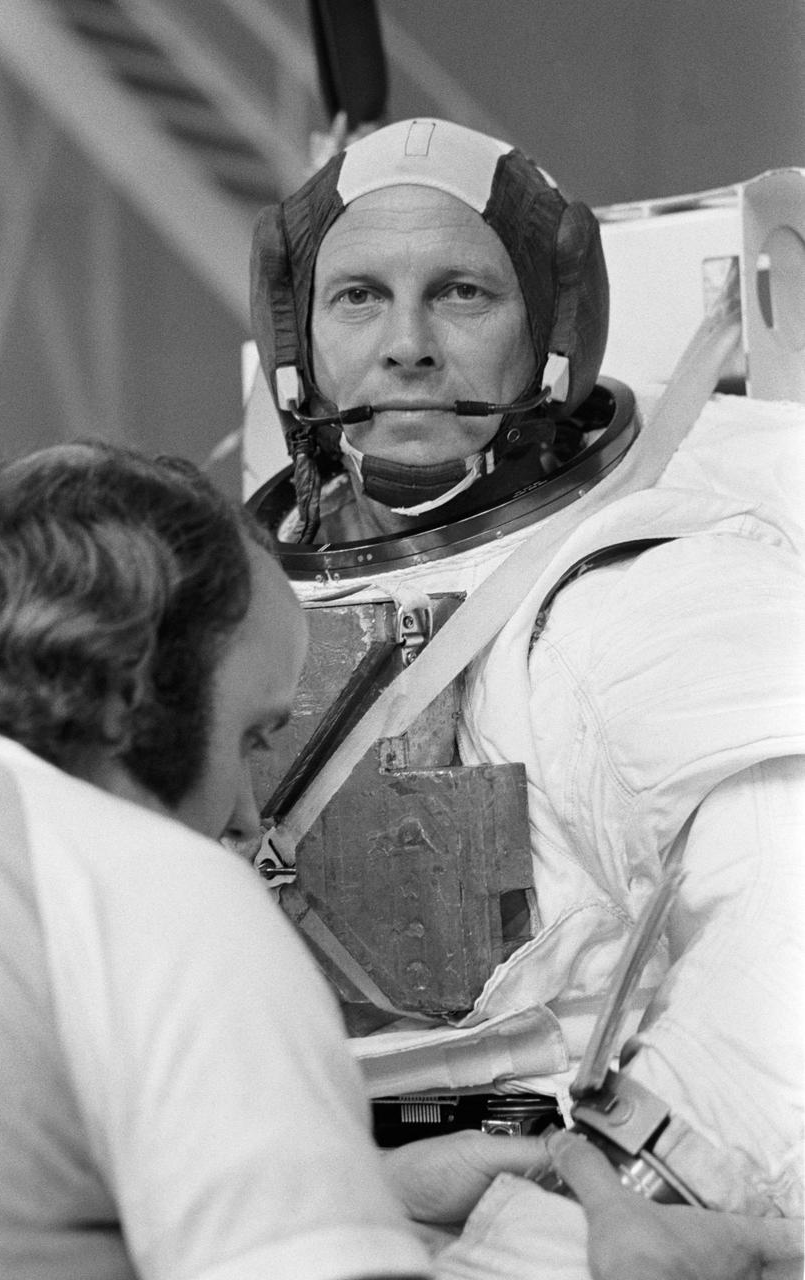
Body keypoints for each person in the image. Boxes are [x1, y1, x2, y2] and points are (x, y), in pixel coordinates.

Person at [246, 117, 805, 1259]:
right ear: (295, 343)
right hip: (292, 1195)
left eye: (459, 293)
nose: (405, 345)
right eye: (358, 298)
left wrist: (616, 1192)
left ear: (552, 335)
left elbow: (786, 922)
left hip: (546, 1208)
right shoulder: (214, 603)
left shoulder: (633, 592)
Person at [0, 439, 561, 1280]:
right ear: (139, 683)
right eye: (249, 739)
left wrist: (363, 1195)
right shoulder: (152, 889)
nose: (248, 815)